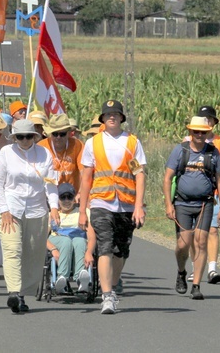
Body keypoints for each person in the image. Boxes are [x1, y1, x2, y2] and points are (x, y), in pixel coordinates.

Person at [78, 100, 146, 314]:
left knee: (121, 249)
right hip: (101, 201)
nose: (112, 117)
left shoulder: (131, 142)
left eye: (116, 114)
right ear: (103, 119)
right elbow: (86, 177)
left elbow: (139, 174)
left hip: (125, 203)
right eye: (108, 114)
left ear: (121, 117)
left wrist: (138, 206)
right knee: (105, 245)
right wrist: (82, 211)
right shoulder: (93, 143)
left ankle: (113, 285)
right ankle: (106, 296)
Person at [0, 119, 60, 314]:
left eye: (28, 136)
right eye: (20, 137)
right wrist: (4, 209)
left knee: (33, 253)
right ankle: (13, 292)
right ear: (14, 138)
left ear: (35, 136)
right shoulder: (6, 153)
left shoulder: (44, 154)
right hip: (10, 208)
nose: (24, 140)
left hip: (37, 209)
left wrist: (54, 206)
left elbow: (50, 183)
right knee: (13, 249)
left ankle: (22, 294)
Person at [163, 116, 220, 300]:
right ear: (190, 132)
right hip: (182, 203)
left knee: (201, 241)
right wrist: (169, 204)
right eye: (196, 131)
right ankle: (181, 271)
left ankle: (196, 285)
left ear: (208, 133)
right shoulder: (180, 150)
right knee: (183, 244)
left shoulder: (213, 153)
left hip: (204, 203)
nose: (199, 135)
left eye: (203, 132)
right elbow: (168, 178)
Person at [187, 105, 220, 285]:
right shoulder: (187, 141)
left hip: (213, 191)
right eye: (203, 119)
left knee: (212, 229)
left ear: (213, 123)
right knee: (191, 232)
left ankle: (212, 269)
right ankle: (195, 265)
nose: (207, 122)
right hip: (192, 192)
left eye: (210, 119)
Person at [47, 183, 91, 294]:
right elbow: (42, 237)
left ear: (74, 198)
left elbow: (91, 235)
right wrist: (53, 249)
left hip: (78, 237)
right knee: (66, 241)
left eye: (69, 197)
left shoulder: (83, 212)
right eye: (63, 197)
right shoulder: (53, 214)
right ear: (58, 199)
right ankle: (62, 277)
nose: (66, 200)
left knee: (80, 241)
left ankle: (80, 278)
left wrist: (90, 251)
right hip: (58, 238)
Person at [38, 113, 84, 194]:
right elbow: (38, 175)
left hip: (71, 196)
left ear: (69, 133)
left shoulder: (78, 145)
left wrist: (80, 193)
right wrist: (52, 181)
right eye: (55, 134)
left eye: (62, 134)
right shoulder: (41, 147)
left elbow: (84, 172)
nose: (58, 137)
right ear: (50, 134)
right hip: (47, 195)